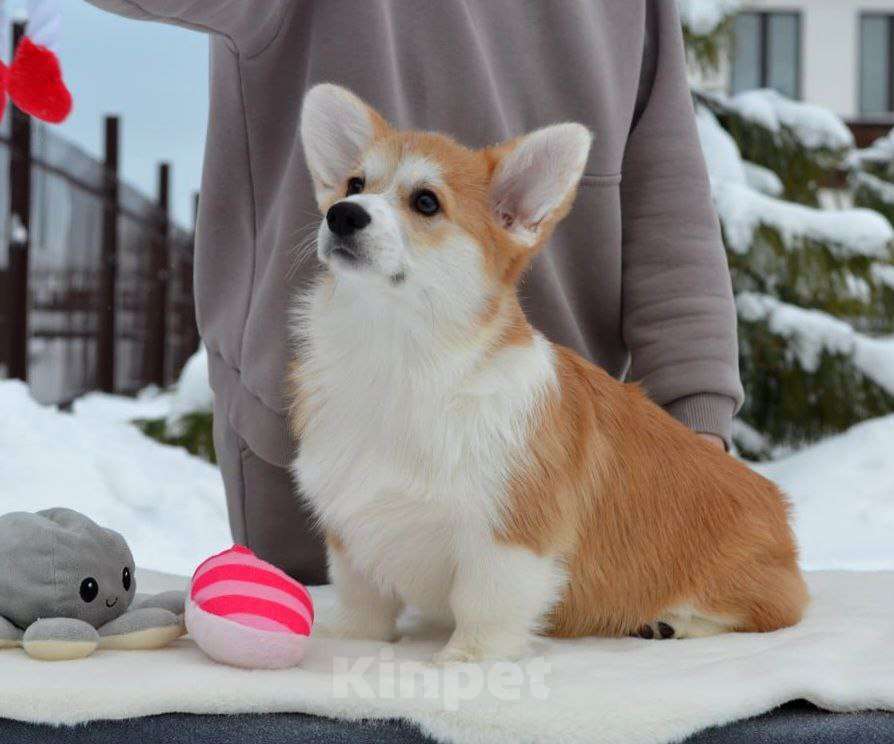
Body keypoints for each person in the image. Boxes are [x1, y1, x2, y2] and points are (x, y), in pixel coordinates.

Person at [87, 0, 743, 585]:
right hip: (331, 459)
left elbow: (666, 193)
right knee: (335, 704)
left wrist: (693, 427)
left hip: (560, 477)